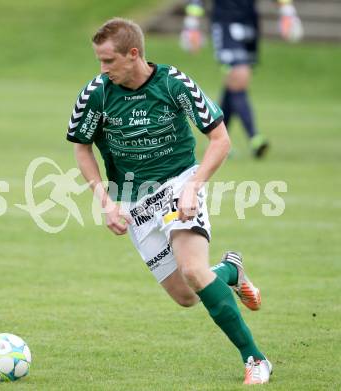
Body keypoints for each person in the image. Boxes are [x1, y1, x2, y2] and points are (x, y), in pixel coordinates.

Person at [67, 18, 270, 385]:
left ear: (134, 54)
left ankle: (255, 358)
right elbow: (82, 148)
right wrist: (105, 201)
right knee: (187, 295)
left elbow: (220, 140)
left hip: (179, 184)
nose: (102, 69)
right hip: (133, 202)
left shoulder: (174, 84)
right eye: (99, 60)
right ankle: (231, 271)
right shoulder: (95, 94)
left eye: (108, 60)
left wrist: (194, 185)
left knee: (194, 270)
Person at [181, 0, 303, 158]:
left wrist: (288, 12)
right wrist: (191, 25)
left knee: (234, 84)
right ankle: (254, 138)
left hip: (250, 23)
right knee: (239, 75)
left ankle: (219, 142)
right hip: (225, 24)